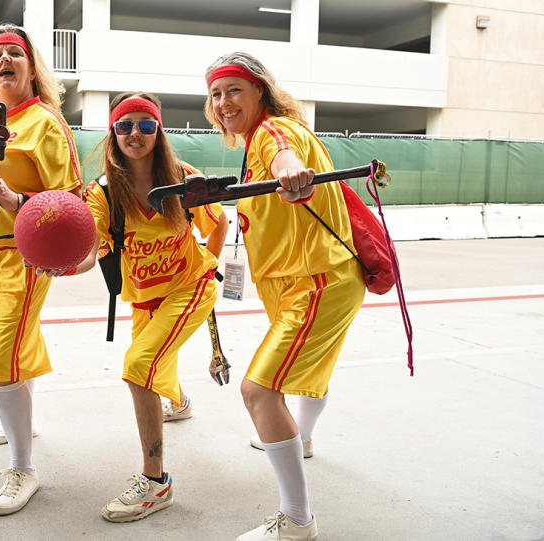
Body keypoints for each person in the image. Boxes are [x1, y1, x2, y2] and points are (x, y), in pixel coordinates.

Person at [39, 92, 228, 522]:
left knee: (139, 366)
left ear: (159, 131)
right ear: (113, 132)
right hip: (143, 299)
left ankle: (156, 482)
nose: (135, 134)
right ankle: (178, 403)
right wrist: (61, 264)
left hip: (189, 287)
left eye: (146, 124)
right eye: (125, 125)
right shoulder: (103, 193)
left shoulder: (184, 179)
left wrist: (210, 266)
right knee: (157, 360)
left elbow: (219, 222)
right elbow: (88, 252)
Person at [204, 52, 366, 540]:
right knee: (305, 369)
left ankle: (297, 522)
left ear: (260, 93)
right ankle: (305, 437)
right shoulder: (264, 136)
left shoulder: (274, 133)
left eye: (235, 90)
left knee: (258, 391)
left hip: (315, 281)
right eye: (215, 94)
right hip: (309, 279)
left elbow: (285, 157)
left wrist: (292, 174)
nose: (224, 102)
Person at [0, 25, 83, 516]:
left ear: (31, 67)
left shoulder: (46, 123)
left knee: (2, 354)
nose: (3, 59)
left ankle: (22, 466)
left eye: (14, 54)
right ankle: (21, 422)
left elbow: (71, 201)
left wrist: (17, 200)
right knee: (14, 342)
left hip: (19, 256)